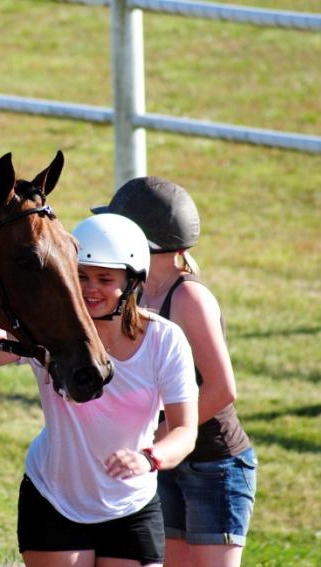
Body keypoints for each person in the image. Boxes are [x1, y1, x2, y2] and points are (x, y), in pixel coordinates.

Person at [0, 213, 199, 567]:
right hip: (54, 498)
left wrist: (148, 458)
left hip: (131, 506)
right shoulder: (50, 331)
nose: (90, 288)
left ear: (133, 282)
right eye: (81, 276)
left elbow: (185, 431)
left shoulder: (165, 340)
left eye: (104, 279)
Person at [92, 177, 257, 567]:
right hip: (163, 460)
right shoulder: (132, 293)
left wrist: (155, 442)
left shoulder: (188, 297)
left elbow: (221, 389)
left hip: (213, 465)